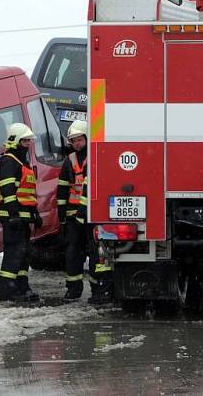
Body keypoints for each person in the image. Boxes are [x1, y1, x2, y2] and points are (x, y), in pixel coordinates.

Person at [56, 120, 112, 304]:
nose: (77, 143)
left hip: (93, 215)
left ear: (87, 138)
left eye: (79, 139)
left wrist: (83, 209)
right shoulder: (69, 161)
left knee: (97, 252)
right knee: (73, 253)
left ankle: (99, 290)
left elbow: (91, 188)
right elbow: (63, 188)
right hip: (73, 217)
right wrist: (61, 213)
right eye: (73, 140)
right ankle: (73, 290)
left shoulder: (96, 157)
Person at [0, 123, 41, 302]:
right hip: (12, 218)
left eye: (29, 141)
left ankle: (22, 287)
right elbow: (7, 191)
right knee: (13, 253)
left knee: (23, 253)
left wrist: (35, 213)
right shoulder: (8, 161)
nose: (29, 144)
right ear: (16, 141)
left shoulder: (22, 162)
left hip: (23, 218)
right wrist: (14, 215)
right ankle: (7, 292)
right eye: (25, 141)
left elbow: (28, 193)